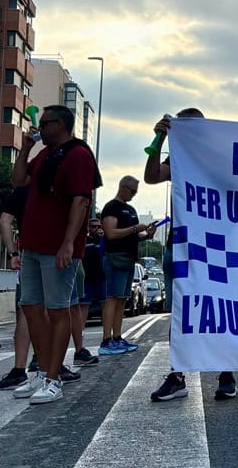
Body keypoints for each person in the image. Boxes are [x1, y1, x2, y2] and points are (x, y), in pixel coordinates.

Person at [147, 108, 238, 402]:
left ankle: (226, 373)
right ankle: (177, 375)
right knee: (180, 315)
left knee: (219, 309)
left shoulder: (221, 156)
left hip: (216, 247)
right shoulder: (178, 156)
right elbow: (151, 177)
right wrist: (159, 140)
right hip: (182, 244)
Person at [10, 106, 101, 405]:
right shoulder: (45, 155)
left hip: (57, 248)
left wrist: (67, 244)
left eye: (44, 123)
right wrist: (25, 149)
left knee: (58, 310)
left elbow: (80, 201)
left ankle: (54, 378)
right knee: (32, 308)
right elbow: (19, 179)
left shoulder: (78, 154)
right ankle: (44, 371)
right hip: (33, 245)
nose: (39, 127)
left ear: (60, 125)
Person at [100, 177, 158, 356]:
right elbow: (111, 233)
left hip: (129, 259)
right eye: (132, 191)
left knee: (122, 299)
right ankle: (106, 339)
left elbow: (133, 237)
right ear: (122, 187)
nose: (133, 195)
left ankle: (117, 337)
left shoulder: (131, 210)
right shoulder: (112, 208)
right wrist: (134, 229)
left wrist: (146, 235)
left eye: (135, 192)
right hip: (115, 257)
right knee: (112, 297)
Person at [0, 186, 34, 391]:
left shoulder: (19, 192)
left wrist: (13, 253)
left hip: (27, 252)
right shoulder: (53, 186)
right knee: (55, 310)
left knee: (27, 309)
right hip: (54, 251)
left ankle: (19, 368)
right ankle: (51, 367)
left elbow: (4, 222)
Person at [73, 218, 106, 365]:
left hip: (101, 277)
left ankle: (107, 336)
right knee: (83, 307)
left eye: (98, 226)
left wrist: (103, 237)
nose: (96, 229)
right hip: (87, 278)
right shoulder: (84, 240)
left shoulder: (103, 240)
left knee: (105, 304)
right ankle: (80, 336)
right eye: (93, 226)